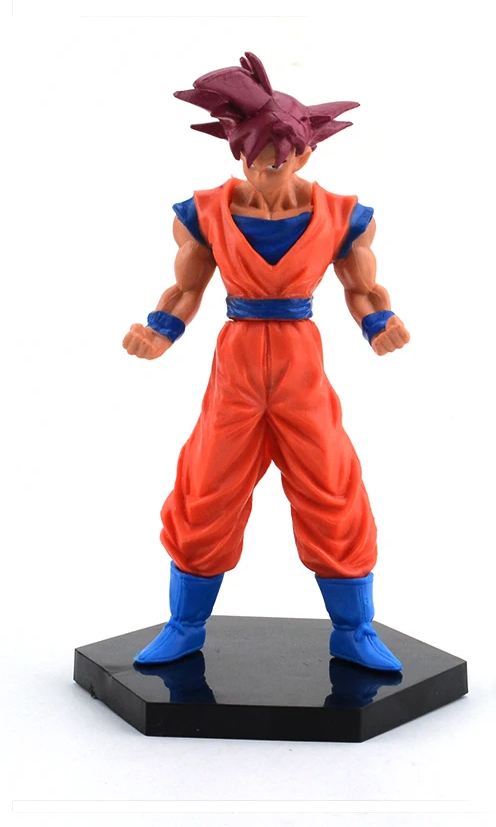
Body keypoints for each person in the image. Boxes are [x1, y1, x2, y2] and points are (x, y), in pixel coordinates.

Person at [123, 52, 409, 671]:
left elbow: (363, 289)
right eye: (253, 159)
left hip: (302, 366)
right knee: (206, 488)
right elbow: (185, 289)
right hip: (238, 364)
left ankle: (355, 630)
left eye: (277, 161)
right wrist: (157, 332)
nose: (264, 171)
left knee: (332, 486)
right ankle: (185, 625)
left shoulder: (344, 216)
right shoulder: (204, 212)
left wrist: (380, 325)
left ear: (304, 154)